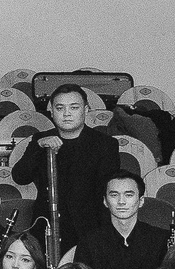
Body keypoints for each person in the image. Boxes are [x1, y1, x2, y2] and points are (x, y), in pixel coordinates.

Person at [12, 84, 123, 243]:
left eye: (74, 108)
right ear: (51, 111)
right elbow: (20, 177)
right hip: (46, 229)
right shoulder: (40, 140)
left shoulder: (105, 144)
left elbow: (106, 194)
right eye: (60, 108)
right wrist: (38, 147)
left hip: (87, 230)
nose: (66, 114)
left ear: (85, 110)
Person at [76, 170, 168, 269]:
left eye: (129, 195)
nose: (121, 201)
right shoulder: (89, 241)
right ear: (105, 201)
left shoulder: (160, 239)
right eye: (114, 195)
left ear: (141, 201)